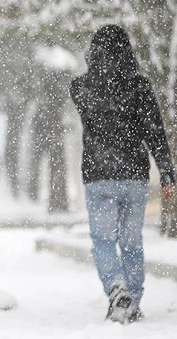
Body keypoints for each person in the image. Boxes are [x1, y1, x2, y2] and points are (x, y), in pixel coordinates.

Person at [70, 24, 175, 324]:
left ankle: (117, 288)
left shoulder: (80, 87)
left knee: (103, 240)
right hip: (134, 175)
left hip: (98, 175)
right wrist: (167, 172)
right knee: (131, 242)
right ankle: (134, 302)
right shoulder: (140, 87)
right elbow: (155, 131)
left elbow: (96, 110)